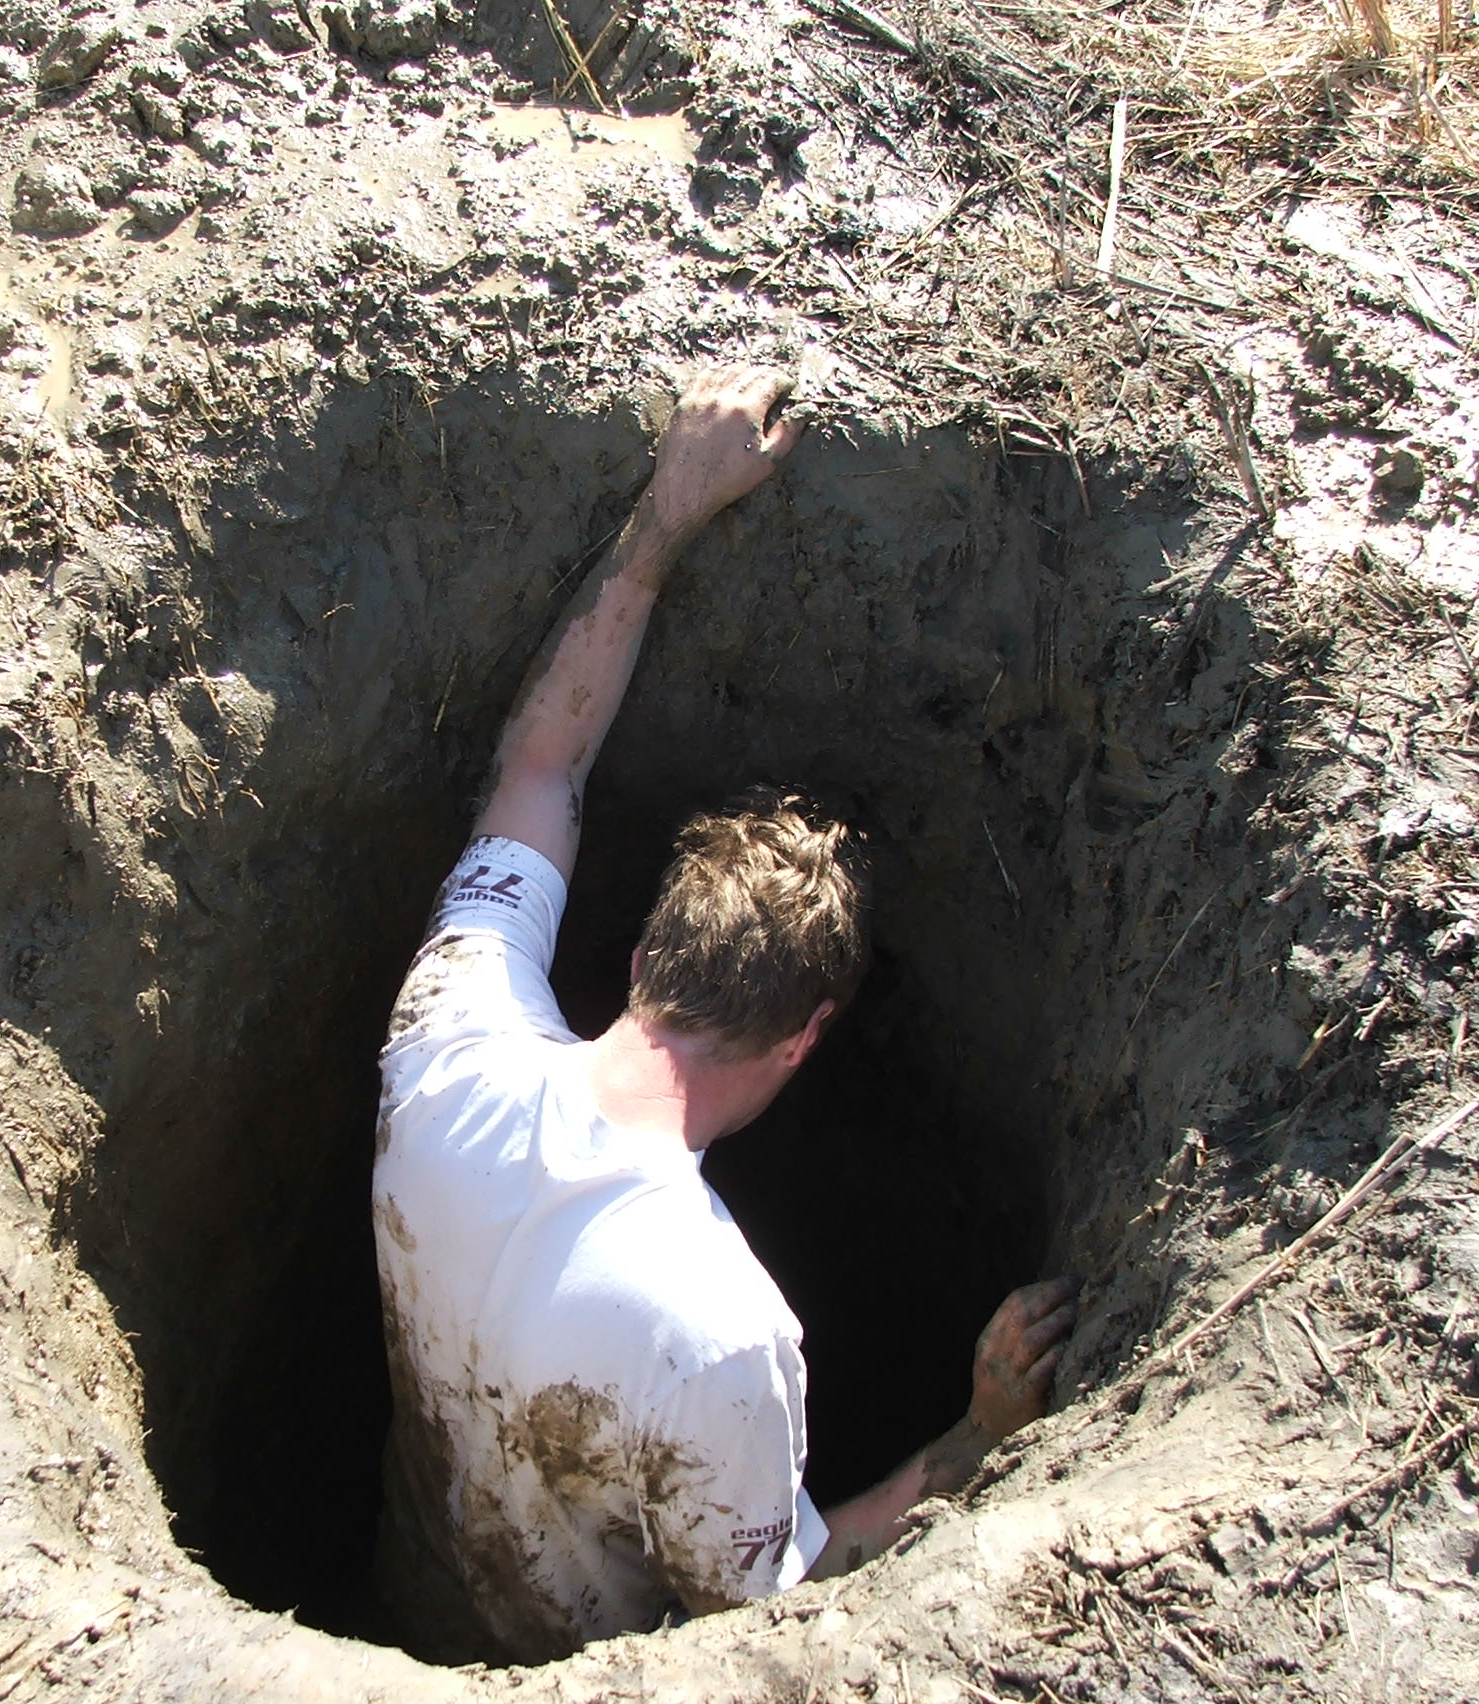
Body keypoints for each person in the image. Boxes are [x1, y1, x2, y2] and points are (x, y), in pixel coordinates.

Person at [370, 365, 1078, 1665]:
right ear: (807, 1038)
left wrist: (665, 518)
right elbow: (780, 1605)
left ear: (646, 951)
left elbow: (541, 765)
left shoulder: (448, 1027)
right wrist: (980, 1432)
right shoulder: (719, 1334)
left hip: (401, 1583)